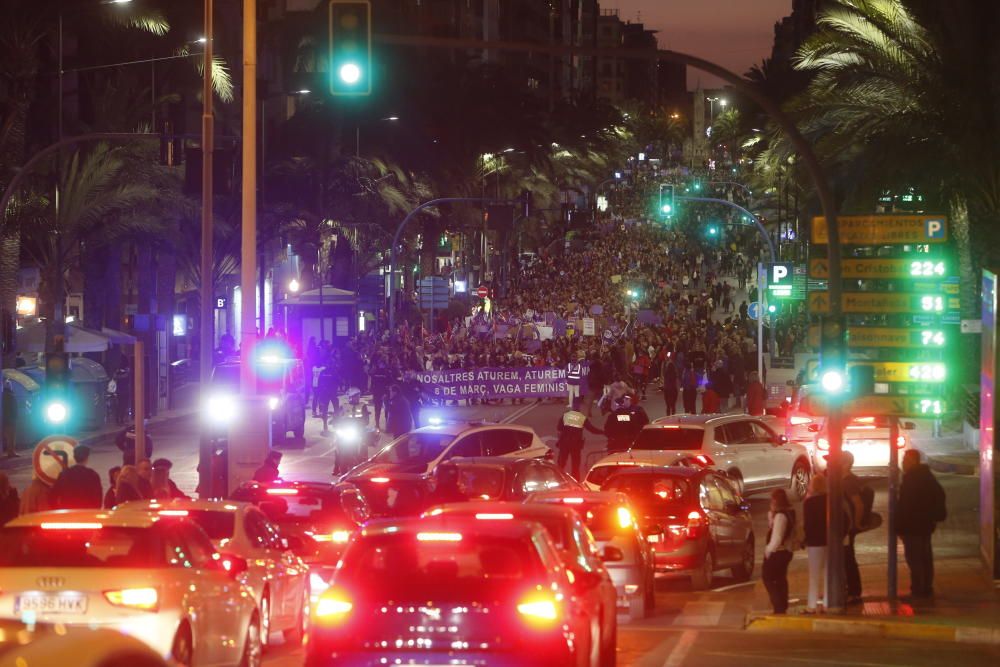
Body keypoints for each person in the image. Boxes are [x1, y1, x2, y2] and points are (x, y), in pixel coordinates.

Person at [897, 449, 947, 600]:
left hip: (913, 526)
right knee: (924, 557)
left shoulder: (912, 479)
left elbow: (906, 505)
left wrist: (900, 526)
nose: (903, 463)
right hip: (925, 525)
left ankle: (919, 588)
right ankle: (925, 587)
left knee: (915, 558)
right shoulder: (926, 476)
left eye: (905, 460)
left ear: (912, 461)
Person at [838, 451, 865, 604]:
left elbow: (858, 504)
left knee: (848, 559)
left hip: (847, 528)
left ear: (846, 464)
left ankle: (854, 592)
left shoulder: (849, 482)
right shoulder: (843, 480)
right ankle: (850, 589)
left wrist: (856, 524)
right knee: (845, 559)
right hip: (844, 527)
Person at [762, 488, 796, 614]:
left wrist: (768, 551)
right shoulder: (789, 513)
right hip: (786, 551)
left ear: (776, 500)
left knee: (768, 578)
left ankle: (778, 605)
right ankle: (782, 604)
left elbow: (777, 537)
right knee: (781, 578)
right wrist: (771, 515)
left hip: (778, 552)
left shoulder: (781, 516)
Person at [803, 473, 829, 613]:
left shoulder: (810, 502)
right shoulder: (830, 500)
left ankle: (812, 605)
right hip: (829, 540)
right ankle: (827, 603)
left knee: (814, 575)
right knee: (828, 573)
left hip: (815, 542)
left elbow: (808, 524)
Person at [555, 408, 603, 480]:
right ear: (579, 411)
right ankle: (575, 480)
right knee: (575, 464)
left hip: (564, 443)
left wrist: (559, 441)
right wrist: (603, 432)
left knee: (561, 463)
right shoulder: (582, 417)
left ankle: (559, 478)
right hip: (576, 444)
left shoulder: (565, 416)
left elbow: (559, 431)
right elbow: (592, 430)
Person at [49, 445, 103, 510]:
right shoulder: (92, 474)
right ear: (87, 458)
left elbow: (53, 495)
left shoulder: (64, 474)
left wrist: (58, 510)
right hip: (87, 514)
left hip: (68, 514)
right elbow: (98, 498)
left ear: (74, 457)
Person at [2, 381, 18, 458]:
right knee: (11, 437)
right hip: (11, 419)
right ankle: (11, 452)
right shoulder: (12, 396)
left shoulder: (2, 396)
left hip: (3, 419)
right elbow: (15, 408)